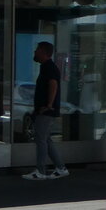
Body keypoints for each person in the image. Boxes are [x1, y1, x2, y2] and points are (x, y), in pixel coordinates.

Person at [23, 41, 68, 180]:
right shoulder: (46, 67)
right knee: (45, 139)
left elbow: (53, 84)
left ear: (43, 51)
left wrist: (48, 105)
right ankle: (61, 168)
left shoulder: (49, 67)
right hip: (44, 110)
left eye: (36, 50)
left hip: (46, 111)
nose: (34, 52)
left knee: (41, 139)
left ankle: (41, 171)